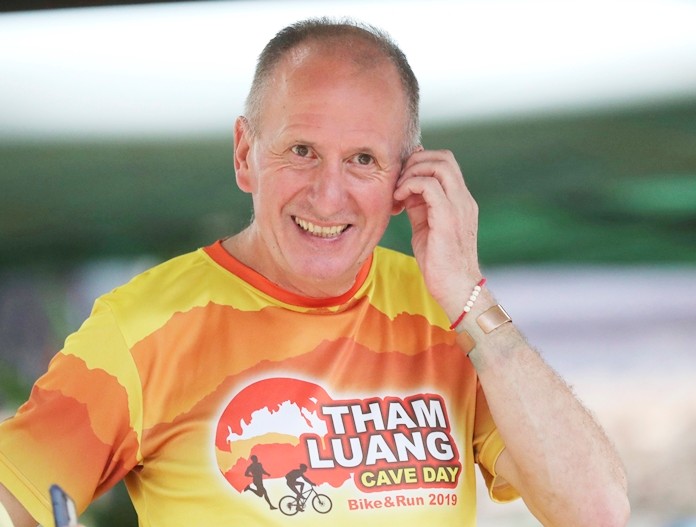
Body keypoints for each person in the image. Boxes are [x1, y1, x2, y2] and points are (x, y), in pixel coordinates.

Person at [0, 17, 629, 527]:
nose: (328, 197)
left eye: (362, 160)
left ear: (405, 178)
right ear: (246, 155)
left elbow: (595, 513)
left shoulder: (447, 315)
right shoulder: (140, 329)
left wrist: (470, 299)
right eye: (302, 152)